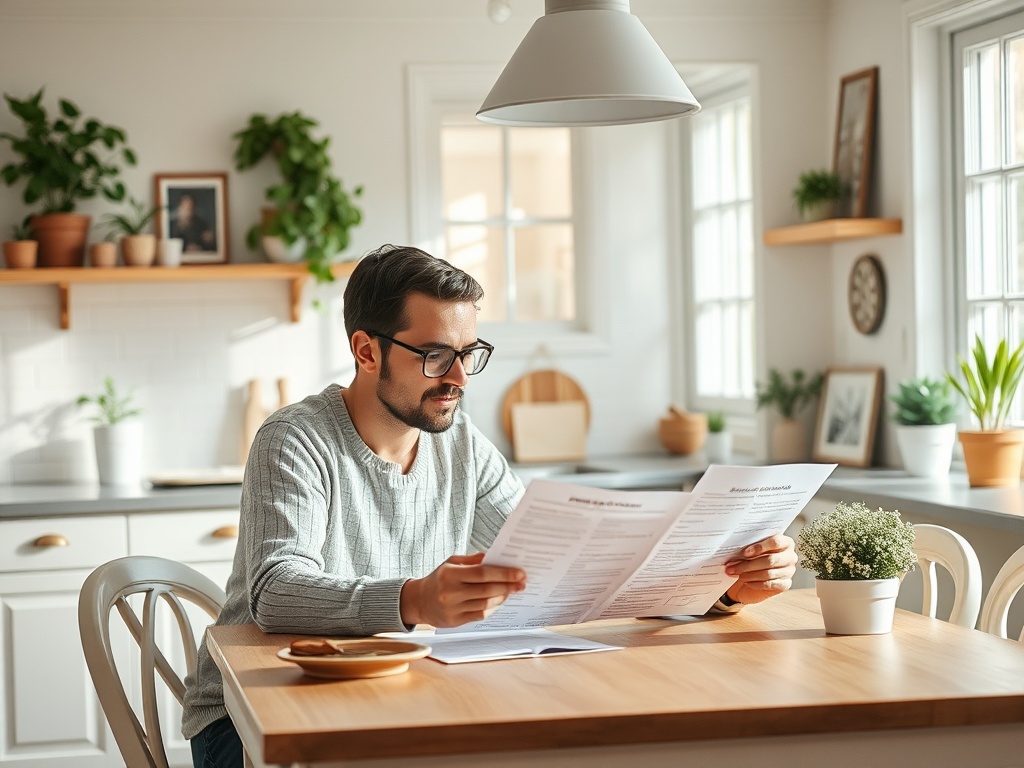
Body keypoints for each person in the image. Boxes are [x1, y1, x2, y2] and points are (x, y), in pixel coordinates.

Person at [182, 244, 799, 768]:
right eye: (434, 355)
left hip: (399, 692)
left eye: (469, 353)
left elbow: (561, 561)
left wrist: (721, 587)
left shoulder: (462, 444)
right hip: (249, 718)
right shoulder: (295, 439)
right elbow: (275, 590)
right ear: (366, 351)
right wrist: (416, 600)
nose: (459, 377)